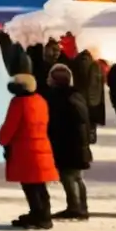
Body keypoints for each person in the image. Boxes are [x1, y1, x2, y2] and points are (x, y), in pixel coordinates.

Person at [0, 73, 58, 230]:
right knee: (39, 184)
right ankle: (43, 214)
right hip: (41, 146)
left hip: (24, 150)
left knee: (29, 185)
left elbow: (10, 127)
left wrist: (2, 139)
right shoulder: (40, 100)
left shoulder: (18, 103)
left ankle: (39, 216)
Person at [45, 63, 92, 220]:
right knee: (77, 177)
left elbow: (56, 124)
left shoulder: (58, 98)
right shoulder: (77, 96)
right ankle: (81, 206)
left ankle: (75, 207)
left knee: (69, 176)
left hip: (67, 144)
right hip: (79, 144)